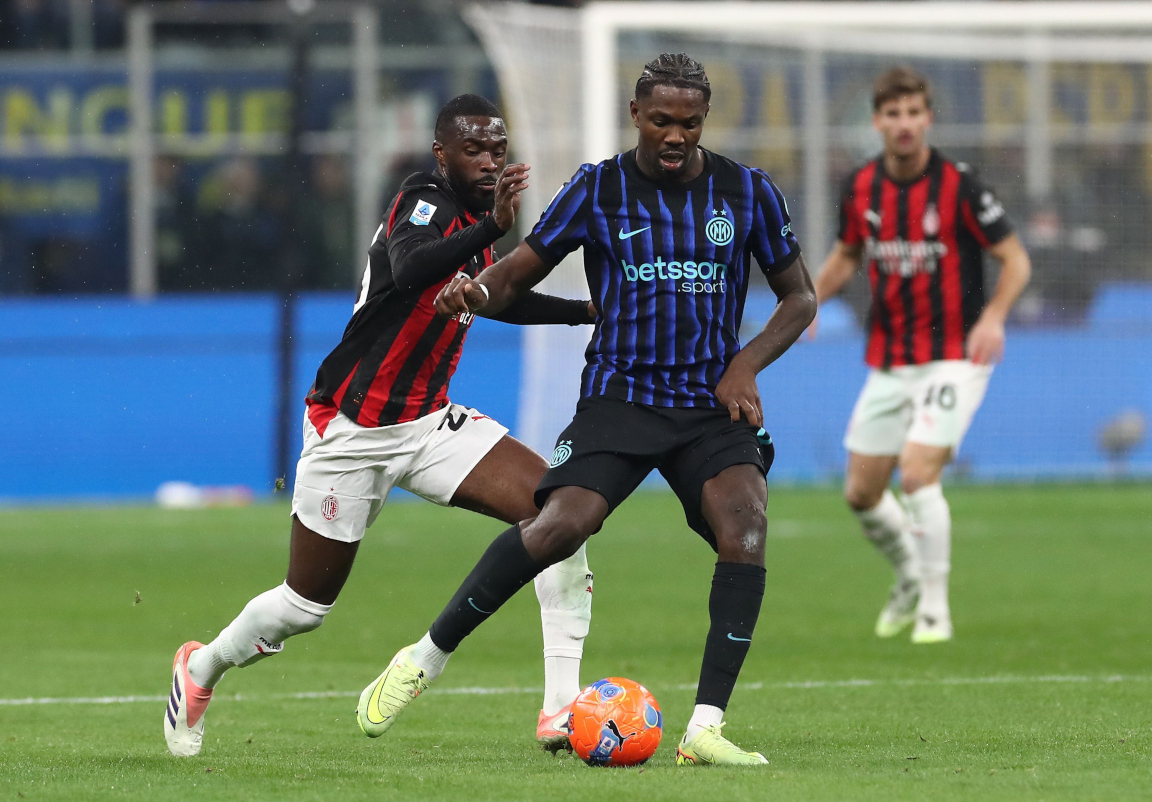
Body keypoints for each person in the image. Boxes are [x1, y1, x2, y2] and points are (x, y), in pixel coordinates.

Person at [353, 54, 816, 767]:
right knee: (560, 525)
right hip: (620, 396)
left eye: (689, 123)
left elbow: (800, 296)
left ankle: (705, 727)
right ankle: (424, 658)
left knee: (745, 523)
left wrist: (744, 365)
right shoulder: (598, 188)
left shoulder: (746, 192)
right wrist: (476, 293)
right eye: (661, 120)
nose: (675, 135)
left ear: (704, 122)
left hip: (704, 404)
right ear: (636, 114)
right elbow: (517, 272)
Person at [164, 94, 598, 757]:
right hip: (353, 428)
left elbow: (493, 297)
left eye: (498, 149)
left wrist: (585, 312)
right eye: (474, 149)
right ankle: (200, 668)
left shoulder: (481, 215)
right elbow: (413, 263)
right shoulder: (421, 199)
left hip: (429, 424)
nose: (488, 160)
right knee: (304, 608)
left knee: (561, 514)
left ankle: (562, 711)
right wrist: (493, 230)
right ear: (441, 153)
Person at [812, 67, 1031, 643]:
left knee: (917, 473)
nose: (904, 125)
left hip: (955, 355)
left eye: (914, 113)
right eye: (893, 114)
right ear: (877, 121)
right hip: (890, 358)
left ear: (928, 118)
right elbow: (845, 256)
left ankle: (935, 610)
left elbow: (1016, 260)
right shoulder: (861, 187)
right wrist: (806, 304)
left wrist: (993, 318)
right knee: (861, 492)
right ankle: (909, 576)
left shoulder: (961, 184)